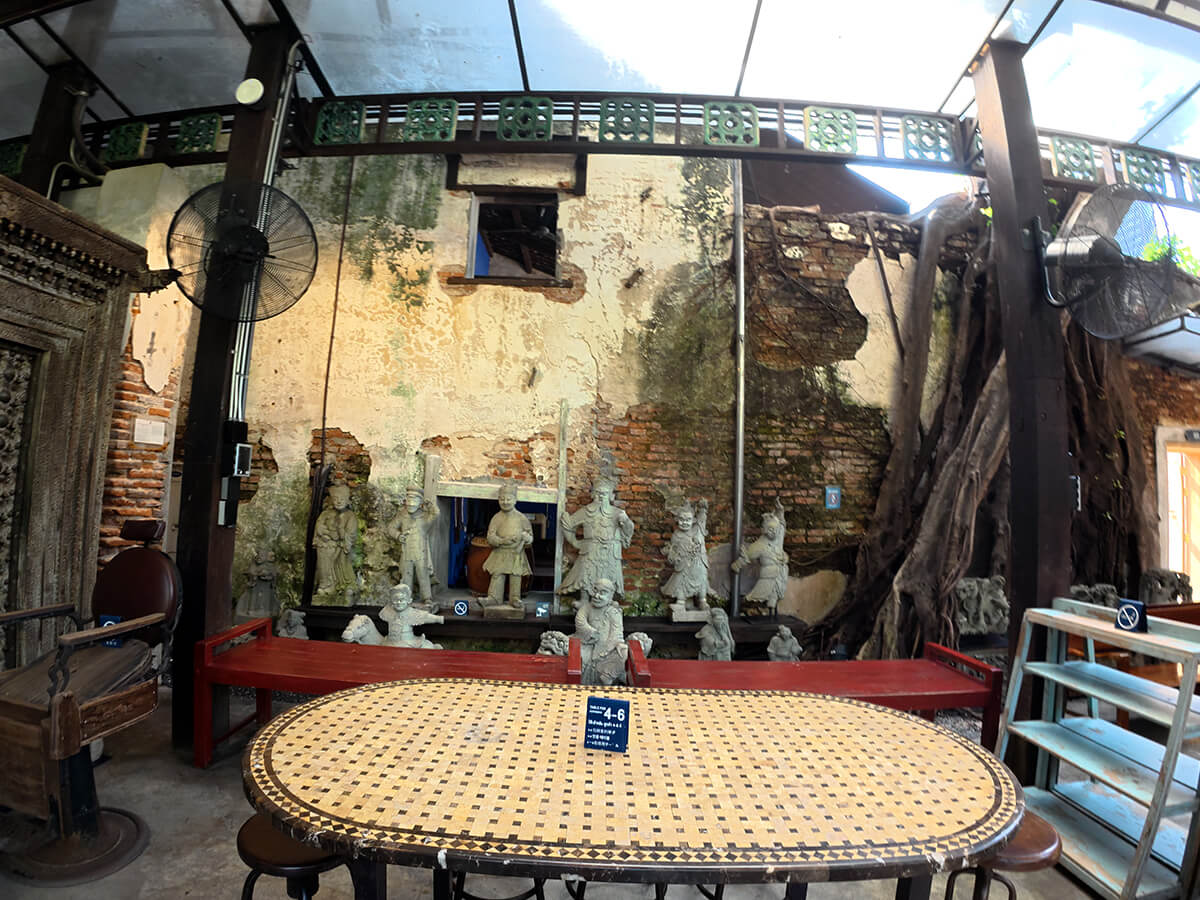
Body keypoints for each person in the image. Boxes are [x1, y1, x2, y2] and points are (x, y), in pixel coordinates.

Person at [557, 475, 634, 603]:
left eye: (604, 493)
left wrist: (626, 521)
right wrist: (575, 542)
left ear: (611, 496)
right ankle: (584, 600)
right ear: (593, 495)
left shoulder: (617, 513)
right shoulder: (586, 511)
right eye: (598, 493)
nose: (601, 496)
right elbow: (568, 525)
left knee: (610, 575)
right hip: (590, 550)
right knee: (586, 575)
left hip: (611, 551)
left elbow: (628, 531)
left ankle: (607, 602)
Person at [731, 497, 788, 617]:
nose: (773, 532)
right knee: (761, 596)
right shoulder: (759, 545)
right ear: (764, 530)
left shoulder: (778, 540)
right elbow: (747, 556)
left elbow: (782, 523)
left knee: (775, 598)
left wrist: (780, 511)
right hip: (767, 578)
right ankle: (758, 606)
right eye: (770, 529)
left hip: (780, 576)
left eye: (775, 529)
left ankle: (772, 610)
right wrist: (737, 565)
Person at [388, 485, 440, 609]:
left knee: (423, 575)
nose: (411, 503)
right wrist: (398, 535)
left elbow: (436, 514)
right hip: (406, 552)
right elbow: (391, 527)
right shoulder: (402, 515)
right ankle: (406, 597)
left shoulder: (424, 516)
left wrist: (430, 505)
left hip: (421, 552)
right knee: (406, 575)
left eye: (414, 500)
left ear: (419, 502)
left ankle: (427, 598)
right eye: (409, 500)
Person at [483, 483, 533, 611]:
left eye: (508, 499)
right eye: (502, 499)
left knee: (515, 576)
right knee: (497, 575)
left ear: (515, 500)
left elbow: (530, 538)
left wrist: (527, 538)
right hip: (499, 552)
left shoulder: (521, 518)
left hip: (516, 553)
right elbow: (490, 537)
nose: (505, 502)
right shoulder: (496, 518)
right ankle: (494, 598)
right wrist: (502, 541)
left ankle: (515, 598)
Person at [662, 497, 714, 611]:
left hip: (698, 562)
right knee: (681, 581)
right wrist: (673, 556)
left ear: (693, 520)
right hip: (684, 563)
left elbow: (702, 519)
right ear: (677, 520)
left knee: (701, 580)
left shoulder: (697, 530)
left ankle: (702, 601)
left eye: (688, 520)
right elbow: (673, 550)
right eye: (682, 520)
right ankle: (681, 602)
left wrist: (702, 509)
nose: (685, 523)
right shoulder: (676, 535)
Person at [572, 577, 627, 685]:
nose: (596, 595)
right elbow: (580, 621)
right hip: (587, 643)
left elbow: (617, 631)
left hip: (608, 645)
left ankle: (608, 675)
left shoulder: (613, 612)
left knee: (624, 653)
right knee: (574, 654)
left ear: (610, 596)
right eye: (595, 591)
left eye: (602, 593)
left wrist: (616, 644)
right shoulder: (587, 608)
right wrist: (591, 632)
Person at [313, 483, 357, 604]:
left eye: (342, 499)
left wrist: (341, 535)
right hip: (324, 546)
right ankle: (325, 585)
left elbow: (351, 533)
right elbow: (319, 527)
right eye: (335, 498)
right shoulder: (325, 514)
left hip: (340, 547)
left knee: (341, 566)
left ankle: (343, 586)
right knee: (323, 566)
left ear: (347, 500)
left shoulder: (350, 515)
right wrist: (325, 534)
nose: (338, 501)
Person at [379, 583, 444, 649]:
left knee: (425, 647)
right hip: (391, 642)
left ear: (409, 601)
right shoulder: (387, 611)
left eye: (402, 600)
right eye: (395, 600)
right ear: (391, 601)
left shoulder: (411, 612)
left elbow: (425, 617)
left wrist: (438, 619)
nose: (399, 602)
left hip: (408, 642)